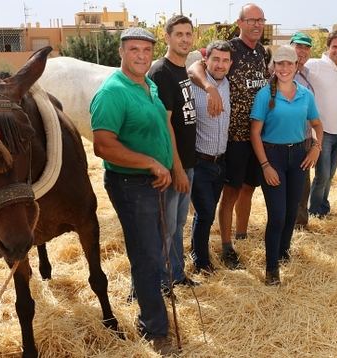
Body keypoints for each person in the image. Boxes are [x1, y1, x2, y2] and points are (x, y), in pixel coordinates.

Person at [89, 27, 177, 355]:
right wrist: (151, 163)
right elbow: (103, 145)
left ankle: (148, 311)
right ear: (121, 53)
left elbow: (159, 130)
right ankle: (155, 329)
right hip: (131, 185)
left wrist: (167, 166)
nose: (141, 56)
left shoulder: (148, 84)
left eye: (146, 50)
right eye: (134, 50)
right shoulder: (113, 91)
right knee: (148, 257)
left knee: (151, 253)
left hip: (153, 182)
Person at [188, 3, 269, 269]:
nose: (257, 24)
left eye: (261, 20)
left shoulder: (261, 52)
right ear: (240, 22)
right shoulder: (230, 48)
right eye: (251, 20)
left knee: (249, 188)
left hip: (256, 135)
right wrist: (210, 89)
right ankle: (226, 246)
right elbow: (196, 68)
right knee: (231, 191)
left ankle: (241, 235)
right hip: (231, 138)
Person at [250, 45, 323, 285]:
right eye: (279, 63)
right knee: (277, 215)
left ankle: (283, 252)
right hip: (273, 157)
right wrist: (265, 165)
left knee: (292, 212)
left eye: (288, 63)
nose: (283, 68)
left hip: (299, 157)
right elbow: (255, 133)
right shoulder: (264, 95)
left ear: (296, 65)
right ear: (273, 66)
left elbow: (317, 125)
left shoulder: (305, 94)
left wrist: (316, 148)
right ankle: (272, 268)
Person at [147, 14, 198, 288]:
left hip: (187, 162)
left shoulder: (183, 69)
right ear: (167, 37)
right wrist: (177, 169)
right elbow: (166, 126)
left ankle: (175, 276)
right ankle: (157, 284)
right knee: (165, 229)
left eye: (188, 34)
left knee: (177, 225)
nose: (185, 39)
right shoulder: (161, 72)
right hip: (170, 165)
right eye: (179, 34)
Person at [190, 40, 233, 274]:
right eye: (215, 59)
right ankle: (200, 261)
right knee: (205, 212)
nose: (220, 64)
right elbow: (191, 67)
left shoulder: (227, 83)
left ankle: (196, 248)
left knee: (207, 211)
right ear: (206, 59)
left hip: (221, 161)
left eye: (225, 60)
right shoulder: (194, 82)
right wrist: (209, 88)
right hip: (200, 161)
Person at [305, 30, 337, 217]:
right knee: (322, 175)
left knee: (330, 175)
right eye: (335, 47)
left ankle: (323, 206)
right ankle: (314, 210)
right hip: (322, 131)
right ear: (328, 47)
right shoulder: (314, 65)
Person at [288, 32, 315, 229]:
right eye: (298, 46)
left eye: (306, 47)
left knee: (302, 185)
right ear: (290, 47)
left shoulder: (308, 75)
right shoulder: (275, 70)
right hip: (278, 141)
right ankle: (283, 222)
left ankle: (300, 224)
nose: (302, 51)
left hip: (303, 138)